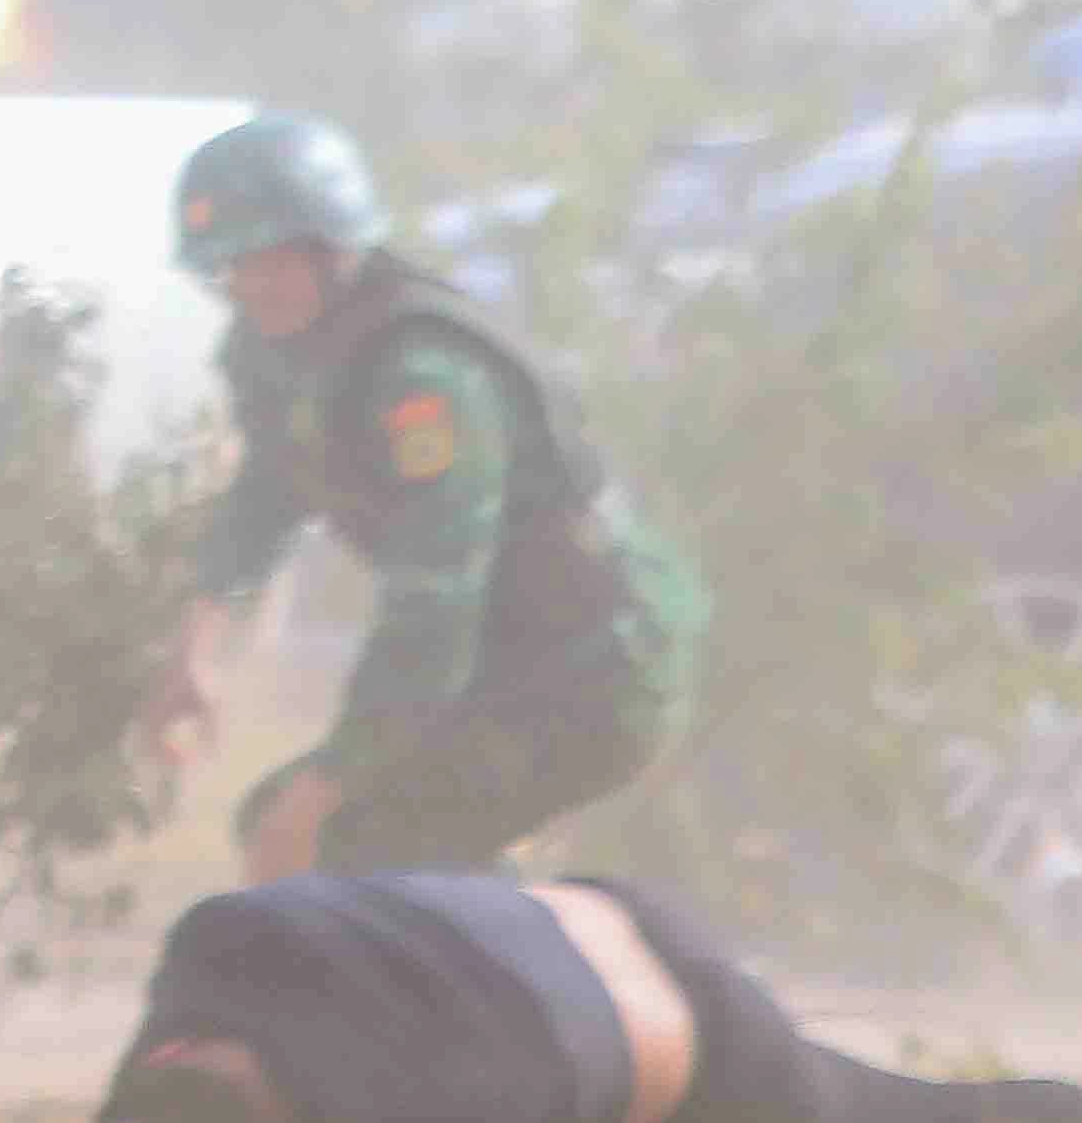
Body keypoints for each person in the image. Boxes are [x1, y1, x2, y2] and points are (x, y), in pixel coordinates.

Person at [149, 112, 704, 879]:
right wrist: (196, 650)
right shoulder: (277, 349)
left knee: (348, 844)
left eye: (268, 263)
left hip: (597, 667)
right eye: (230, 270)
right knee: (302, 830)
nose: (249, 289)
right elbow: (265, 495)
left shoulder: (425, 380)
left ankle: (532, 985)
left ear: (332, 248)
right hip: (504, 657)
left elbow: (435, 608)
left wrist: (324, 787)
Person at [72, 866, 1082, 1123]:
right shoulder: (214, 943)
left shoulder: (422, 1101)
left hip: (711, 1059)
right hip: (599, 906)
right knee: (914, 1105)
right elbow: (170, 1078)